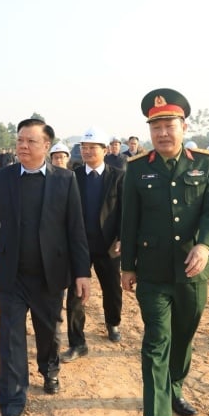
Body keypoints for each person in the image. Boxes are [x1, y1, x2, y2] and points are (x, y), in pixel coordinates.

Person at [0, 118, 91, 416]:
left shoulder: (65, 180)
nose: (22, 146)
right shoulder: (4, 177)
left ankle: (49, 369)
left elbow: (76, 229)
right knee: (10, 340)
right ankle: (11, 405)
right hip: (12, 275)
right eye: (20, 140)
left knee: (47, 332)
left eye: (30, 141)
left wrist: (82, 272)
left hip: (50, 277)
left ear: (46, 146)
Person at [121, 88, 209, 416]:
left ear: (183, 126)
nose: (162, 133)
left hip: (193, 271)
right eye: (156, 127)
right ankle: (155, 413)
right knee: (156, 340)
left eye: (169, 125)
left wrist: (206, 246)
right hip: (152, 270)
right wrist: (127, 266)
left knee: (183, 336)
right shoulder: (137, 169)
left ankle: (175, 388)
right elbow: (128, 219)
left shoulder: (205, 163)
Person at [61, 127, 123, 363]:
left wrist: (122, 237)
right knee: (76, 293)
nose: (86, 151)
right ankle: (77, 342)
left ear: (105, 150)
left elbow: (125, 211)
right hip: (79, 246)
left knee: (112, 289)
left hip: (108, 245)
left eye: (92, 148)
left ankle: (113, 322)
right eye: (83, 148)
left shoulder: (117, 176)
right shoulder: (72, 176)